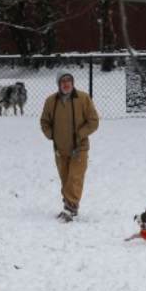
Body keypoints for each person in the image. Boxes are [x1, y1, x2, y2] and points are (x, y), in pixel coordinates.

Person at [39, 71, 100, 221]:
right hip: (60, 149)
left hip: (79, 148)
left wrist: (80, 134)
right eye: (63, 81)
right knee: (65, 179)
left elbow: (94, 121)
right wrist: (51, 135)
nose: (66, 84)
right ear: (58, 84)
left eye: (69, 81)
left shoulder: (83, 98)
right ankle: (68, 204)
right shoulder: (51, 101)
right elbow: (44, 122)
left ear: (73, 83)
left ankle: (70, 208)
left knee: (75, 177)